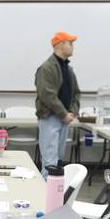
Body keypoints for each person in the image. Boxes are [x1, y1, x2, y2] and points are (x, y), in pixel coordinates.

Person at [35, 31, 80, 178]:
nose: (73, 46)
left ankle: (54, 196)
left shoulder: (68, 69)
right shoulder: (47, 68)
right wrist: (64, 114)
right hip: (51, 118)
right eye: (70, 43)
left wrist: (72, 112)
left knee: (58, 160)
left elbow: (76, 93)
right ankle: (44, 197)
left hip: (64, 118)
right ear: (60, 44)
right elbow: (47, 94)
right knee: (50, 162)